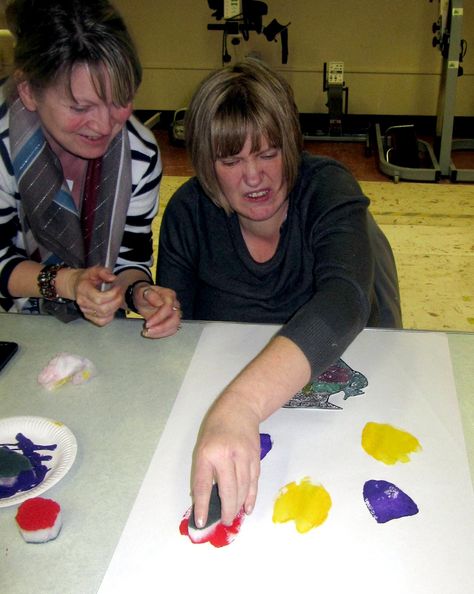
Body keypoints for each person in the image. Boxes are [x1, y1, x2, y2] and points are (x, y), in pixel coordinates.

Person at [156, 59, 402, 528]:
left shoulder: (328, 188)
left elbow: (345, 301)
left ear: (291, 147)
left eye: (268, 153)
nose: (254, 177)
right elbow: (179, 340)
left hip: (332, 408)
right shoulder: (188, 214)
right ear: (208, 166)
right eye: (231, 161)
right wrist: (162, 309)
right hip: (226, 406)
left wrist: (242, 404)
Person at [0, 0, 180, 338]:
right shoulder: (2, 148)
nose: (103, 125)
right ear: (28, 91)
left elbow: (129, 263)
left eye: (120, 101)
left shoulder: (140, 157)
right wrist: (67, 282)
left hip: (94, 336)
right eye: (81, 106)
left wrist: (139, 294)